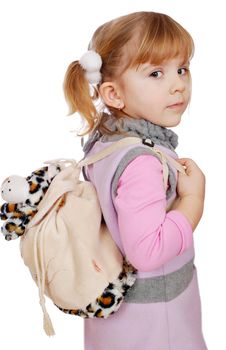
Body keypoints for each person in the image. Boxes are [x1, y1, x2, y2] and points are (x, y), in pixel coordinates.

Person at [63, 11, 208, 350]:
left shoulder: (105, 140)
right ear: (114, 94)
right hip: (157, 326)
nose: (178, 84)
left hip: (115, 321)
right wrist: (193, 201)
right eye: (156, 72)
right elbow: (147, 251)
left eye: (182, 69)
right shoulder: (142, 162)